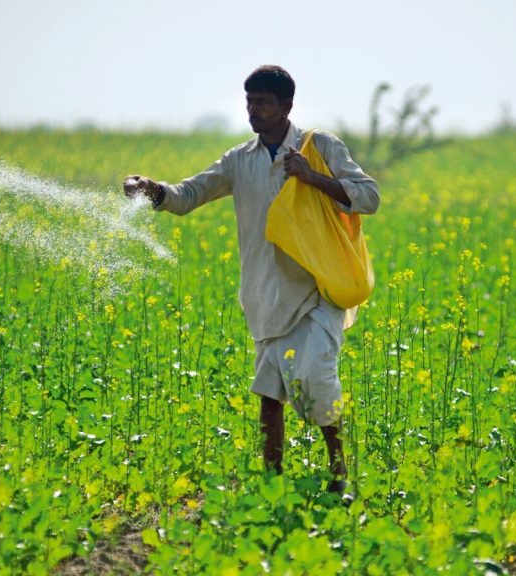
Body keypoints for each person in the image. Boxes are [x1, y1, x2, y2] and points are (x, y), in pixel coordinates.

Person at [123, 65, 379, 495]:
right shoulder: (239, 160)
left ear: (286, 106)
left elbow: (368, 197)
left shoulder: (320, 147)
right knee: (270, 393)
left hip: (317, 290)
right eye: (249, 101)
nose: (252, 110)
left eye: (262, 102)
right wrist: (152, 188)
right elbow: (189, 196)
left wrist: (311, 177)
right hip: (264, 294)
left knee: (318, 377)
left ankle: (340, 475)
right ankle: (271, 484)